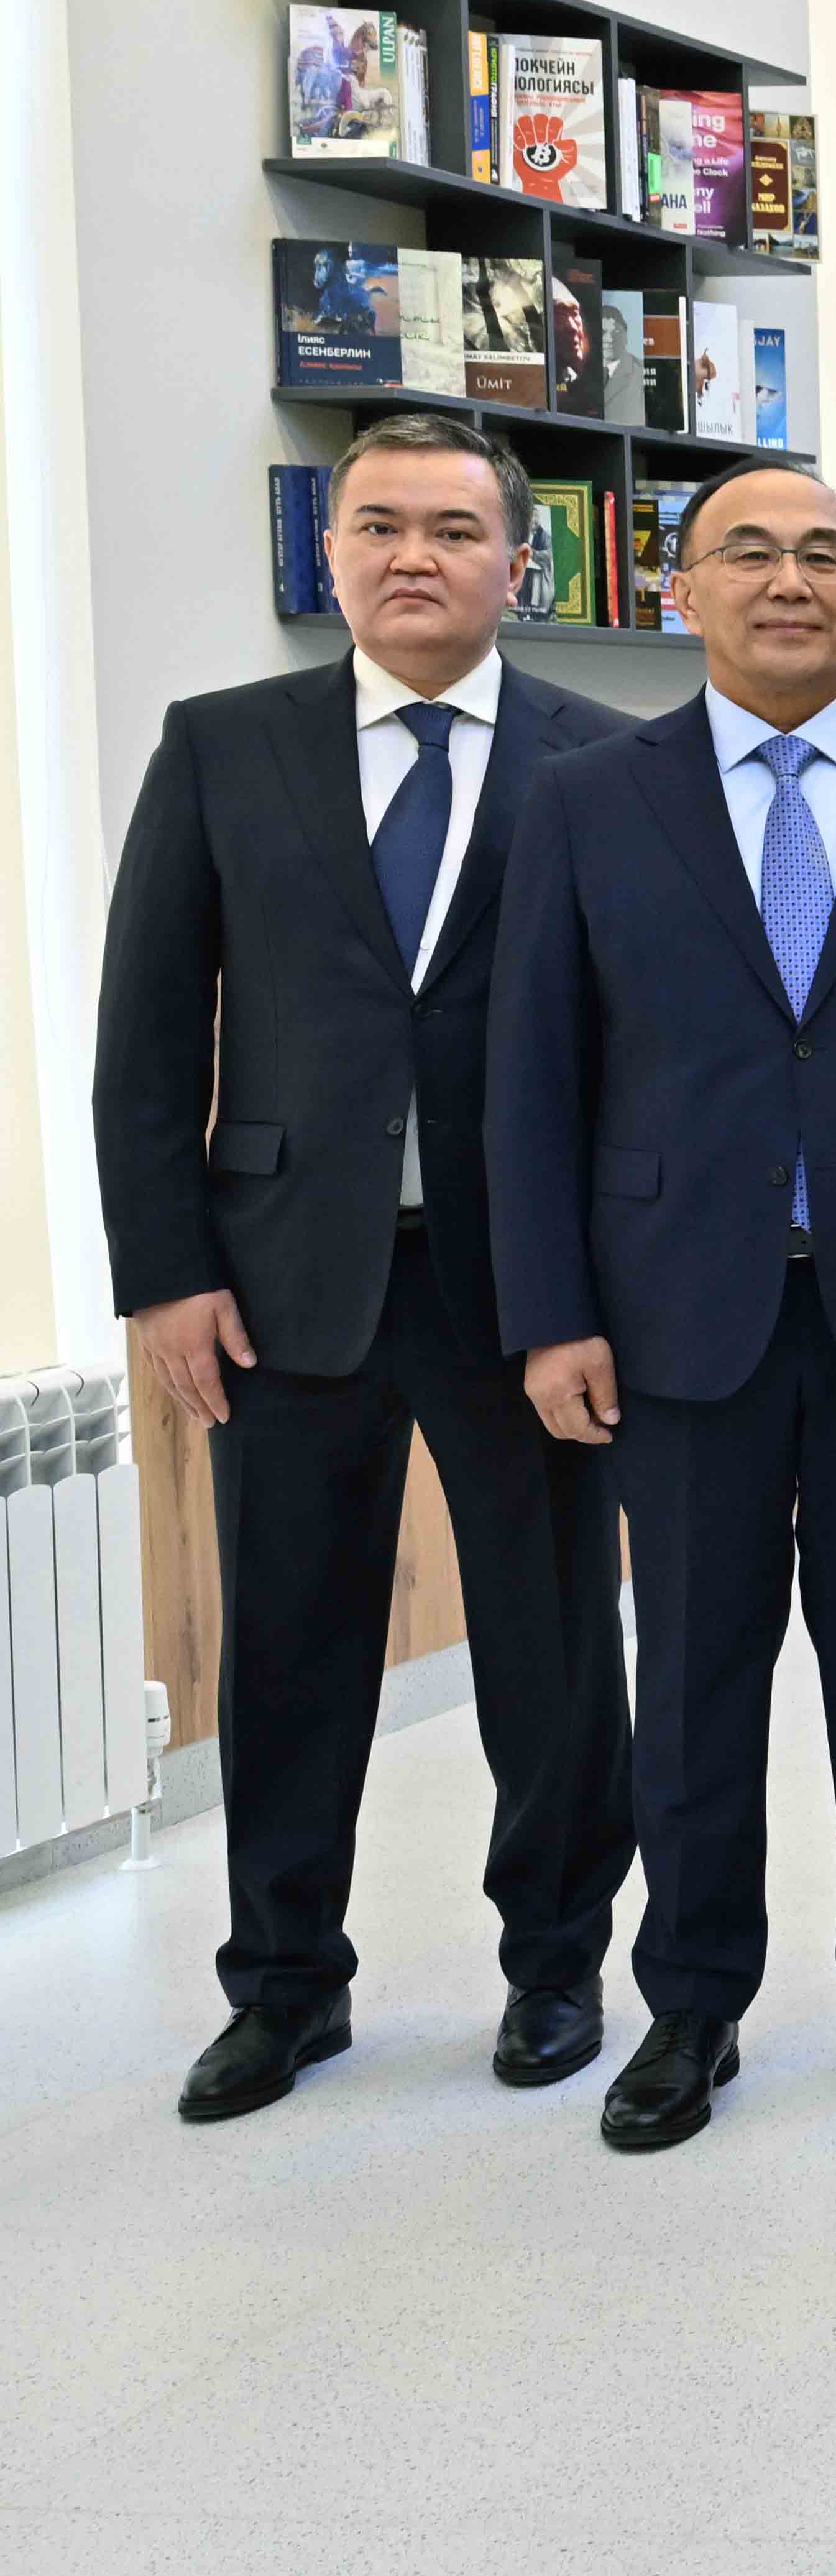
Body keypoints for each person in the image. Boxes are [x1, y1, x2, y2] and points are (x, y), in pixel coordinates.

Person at [487, 464, 836, 2151]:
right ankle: (693, 2002)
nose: (789, 580)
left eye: (824, 555)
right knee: (692, 1679)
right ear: (682, 590)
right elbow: (534, 1074)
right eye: (749, 552)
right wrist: (550, 1313)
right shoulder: (586, 802)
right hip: (672, 1316)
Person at [95, 414, 636, 2121]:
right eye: (380, 526)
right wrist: (163, 1271)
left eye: (455, 530)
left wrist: (619, 1284)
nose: (415, 556)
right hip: (277, 1282)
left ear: (517, 564)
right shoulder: (222, 746)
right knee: (287, 1646)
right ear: (326, 556)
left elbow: (647, 1046)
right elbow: (143, 1032)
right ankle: (284, 1986)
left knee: (555, 1643)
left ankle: (557, 1962)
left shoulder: (610, 760)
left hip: (527, 1286)